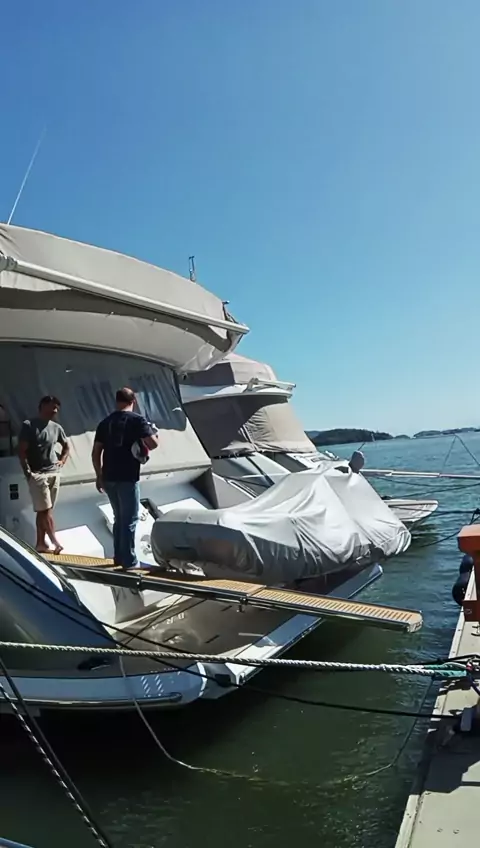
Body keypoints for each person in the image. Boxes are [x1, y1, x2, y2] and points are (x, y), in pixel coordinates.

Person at [91, 387, 158, 569]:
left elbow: (96, 452)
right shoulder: (138, 420)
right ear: (133, 401)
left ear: (117, 401)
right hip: (128, 476)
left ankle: (118, 557)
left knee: (119, 518)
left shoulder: (105, 422)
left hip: (108, 476)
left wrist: (99, 475)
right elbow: (152, 444)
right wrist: (154, 436)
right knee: (129, 519)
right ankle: (129, 561)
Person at [18, 395, 70, 554]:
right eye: (53, 407)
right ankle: (55, 541)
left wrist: (62, 460)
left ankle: (41, 543)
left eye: (57, 408)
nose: (56, 410)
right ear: (43, 406)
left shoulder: (56, 427)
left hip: (54, 472)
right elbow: (22, 451)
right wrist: (27, 472)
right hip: (38, 474)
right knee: (45, 510)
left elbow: (66, 446)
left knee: (44, 511)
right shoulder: (29, 425)